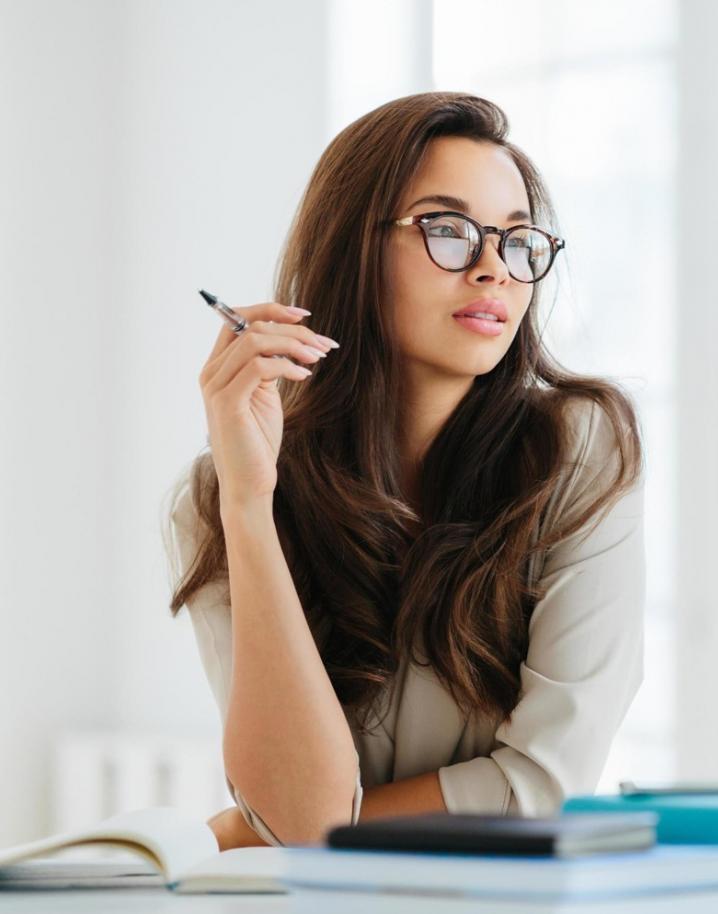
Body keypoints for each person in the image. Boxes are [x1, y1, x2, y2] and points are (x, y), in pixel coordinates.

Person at [165, 92, 644, 850]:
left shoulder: (577, 451)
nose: (494, 269)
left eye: (518, 241)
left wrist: (282, 833)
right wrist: (250, 504)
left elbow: (541, 789)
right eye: (448, 231)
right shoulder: (218, 496)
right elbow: (293, 811)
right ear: (354, 245)